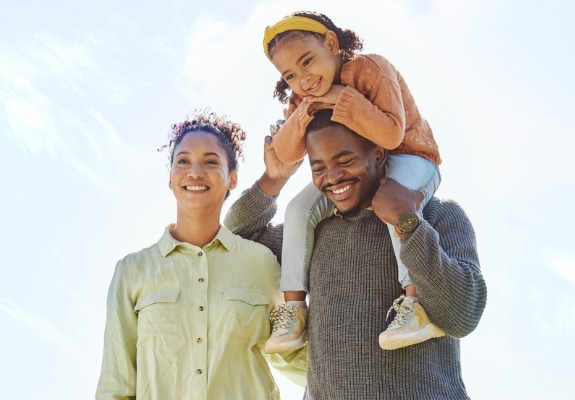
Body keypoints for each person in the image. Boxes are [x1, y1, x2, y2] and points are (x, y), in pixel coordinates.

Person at [224, 109, 487, 399]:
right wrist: (274, 178)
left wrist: (406, 223)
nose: (333, 178)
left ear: (377, 154)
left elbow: (463, 316)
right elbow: (235, 239)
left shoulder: (437, 215)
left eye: (344, 160)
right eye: (318, 167)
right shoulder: (312, 232)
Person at [261, 10, 443, 352]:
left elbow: (390, 135)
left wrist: (340, 99)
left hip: (410, 156)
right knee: (299, 207)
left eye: (307, 61)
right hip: (355, 172)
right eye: (290, 75)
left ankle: (416, 303)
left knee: (392, 201)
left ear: (331, 43)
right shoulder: (304, 97)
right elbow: (287, 153)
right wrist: (305, 109)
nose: (303, 78)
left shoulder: (372, 69)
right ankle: (295, 309)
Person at [95, 110, 307, 400]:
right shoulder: (132, 271)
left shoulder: (261, 262)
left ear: (232, 179)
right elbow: (116, 386)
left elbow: (291, 354)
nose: (195, 172)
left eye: (210, 161)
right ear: (170, 178)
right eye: (183, 161)